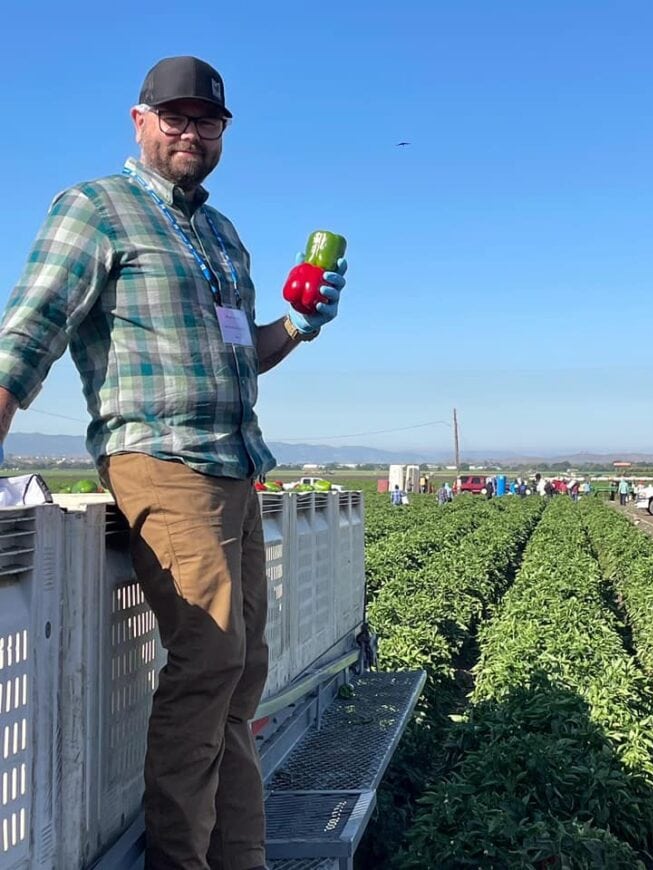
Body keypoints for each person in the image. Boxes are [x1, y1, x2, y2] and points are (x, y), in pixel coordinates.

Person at [0, 56, 349, 870]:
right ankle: (178, 861)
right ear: (140, 121)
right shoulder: (96, 210)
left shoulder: (222, 235)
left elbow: (238, 356)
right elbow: (27, 335)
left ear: (224, 131)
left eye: (208, 121)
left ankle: (240, 857)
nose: (191, 132)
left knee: (242, 670)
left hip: (235, 465)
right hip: (159, 458)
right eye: (176, 117)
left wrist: (299, 325)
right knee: (210, 658)